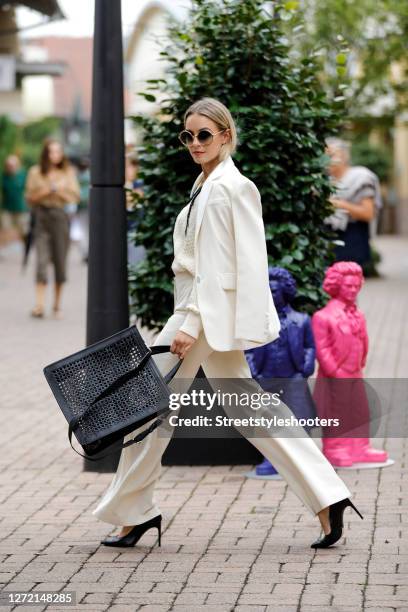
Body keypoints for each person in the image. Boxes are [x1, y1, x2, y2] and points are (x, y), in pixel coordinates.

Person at [92, 98, 363, 550]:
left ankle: (133, 512)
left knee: (148, 408)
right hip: (204, 313)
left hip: (199, 314)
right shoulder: (210, 184)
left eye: (204, 134)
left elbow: (219, 267)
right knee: (248, 407)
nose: (195, 143)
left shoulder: (224, 188)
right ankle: (328, 495)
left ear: (225, 135)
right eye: (188, 136)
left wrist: (191, 322)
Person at [245, 267, 317, 477]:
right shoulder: (256, 321)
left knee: (299, 417)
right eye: (266, 290)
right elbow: (247, 348)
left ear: (285, 291)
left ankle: (303, 458)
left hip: (293, 376)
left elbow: (309, 346)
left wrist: (306, 366)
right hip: (266, 377)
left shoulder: (302, 320)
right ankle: (272, 459)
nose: (270, 294)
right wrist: (254, 371)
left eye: (274, 290)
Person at [25, 139, 80, 319]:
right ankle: (39, 305)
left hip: (60, 217)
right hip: (41, 216)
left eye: (58, 151)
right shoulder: (35, 172)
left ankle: (57, 305)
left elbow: (75, 197)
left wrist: (58, 191)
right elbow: (29, 198)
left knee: (60, 260)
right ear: (45, 153)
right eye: (51, 151)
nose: (55, 155)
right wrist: (47, 190)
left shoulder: (68, 172)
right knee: (41, 261)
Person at [325, 138, 382, 273]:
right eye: (325, 155)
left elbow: (368, 213)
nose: (327, 160)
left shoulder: (361, 177)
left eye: (332, 155)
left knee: (347, 288)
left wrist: (339, 204)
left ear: (345, 156)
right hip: (327, 240)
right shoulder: (324, 181)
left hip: (352, 239)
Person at [1, 154, 29, 246]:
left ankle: (26, 244)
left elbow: (28, 190)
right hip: (7, 207)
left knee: (24, 230)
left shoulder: (23, 175)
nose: (11, 167)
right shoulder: (4, 176)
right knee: (5, 228)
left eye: (13, 165)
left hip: (20, 208)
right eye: (9, 165)